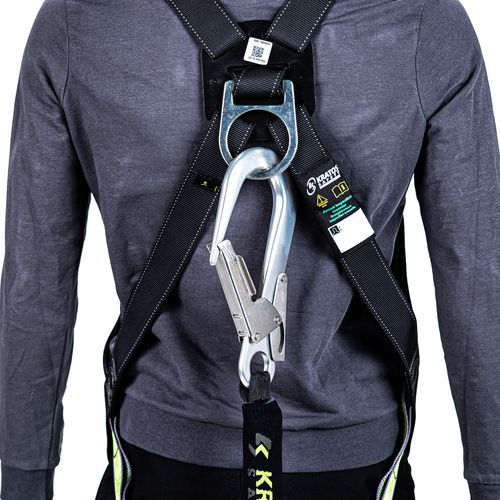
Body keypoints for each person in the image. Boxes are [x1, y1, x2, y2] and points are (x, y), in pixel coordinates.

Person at [0, 0, 499, 499]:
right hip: (357, 465)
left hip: (158, 460)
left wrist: (23, 480)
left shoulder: (79, 24)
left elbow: (35, 285)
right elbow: (479, 283)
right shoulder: (423, 23)